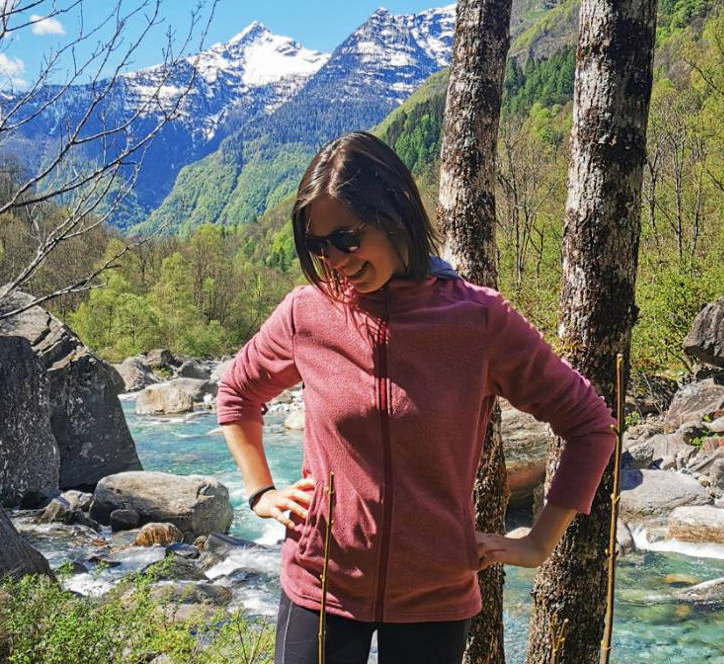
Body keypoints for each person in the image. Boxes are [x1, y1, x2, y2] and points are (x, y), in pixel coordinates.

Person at [217, 131, 615, 664]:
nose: (333, 258)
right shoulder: (305, 314)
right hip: (321, 586)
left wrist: (538, 542)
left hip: (435, 597)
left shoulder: (477, 320)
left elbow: (590, 424)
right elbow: (237, 392)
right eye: (318, 245)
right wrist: (260, 492)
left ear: (396, 212)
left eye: (347, 238)